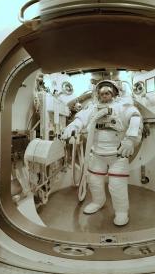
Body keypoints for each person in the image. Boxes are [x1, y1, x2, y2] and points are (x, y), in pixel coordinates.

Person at [61, 80, 142, 226]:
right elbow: (81, 118)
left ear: (114, 93)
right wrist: (73, 126)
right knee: (94, 181)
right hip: (97, 154)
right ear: (98, 94)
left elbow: (136, 118)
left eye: (108, 92)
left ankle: (121, 211)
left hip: (118, 155)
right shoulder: (93, 108)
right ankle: (98, 201)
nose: (104, 95)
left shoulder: (122, 106)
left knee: (117, 185)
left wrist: (130, 140)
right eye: (102, 93)